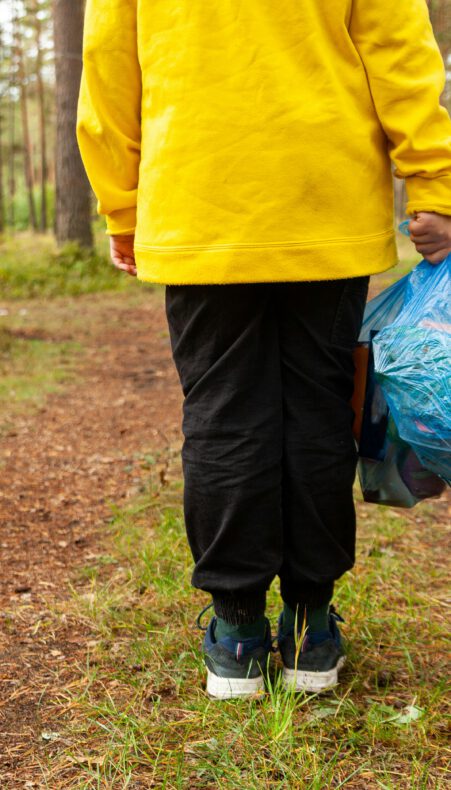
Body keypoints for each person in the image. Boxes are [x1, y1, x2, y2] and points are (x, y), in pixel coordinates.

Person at [77, 0, 451, 699]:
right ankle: (311, 628)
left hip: (197, 197)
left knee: (222, 414)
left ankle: (237, 632)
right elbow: (398, 47)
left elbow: (108, 70)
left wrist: (121, 204)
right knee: (315, 408)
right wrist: (432, 178)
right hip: (324, 198)